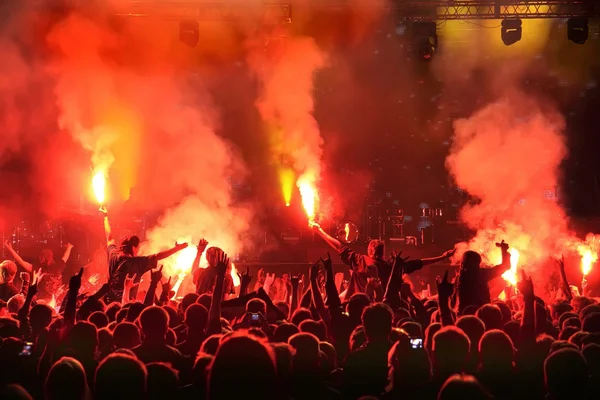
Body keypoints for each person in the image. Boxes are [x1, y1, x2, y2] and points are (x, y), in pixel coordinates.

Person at [310, 222, 455, 300]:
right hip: (382, 306)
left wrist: (319, 231)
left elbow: (339, 246)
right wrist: (441, 257)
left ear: (370, 251)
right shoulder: (392, 267)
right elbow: (419, 263)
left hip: (356, 306)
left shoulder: (359, 260)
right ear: (383, 252)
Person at [99, 206, 188, 303]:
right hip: (126, 305)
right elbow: (158, 256)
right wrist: (176, 248)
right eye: (137, 248)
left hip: (108, 302)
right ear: (133, 247)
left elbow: (109, 238)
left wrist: (105, 217)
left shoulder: (113, 254)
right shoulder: (137, 263)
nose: (137, 251)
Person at [453, 241, 511, 314]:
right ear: (478, 262)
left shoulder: (458, 278)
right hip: (481, 313)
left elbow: (454, 300)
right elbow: (505, 266)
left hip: (462, 313)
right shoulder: (481, 274)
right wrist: (504, 250)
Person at [4, 241, 73, 300]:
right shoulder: (37, 268)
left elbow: (65, 258)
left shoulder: (57, 266)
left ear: (47, 257)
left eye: (41, 257)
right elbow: (21, 262)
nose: (40, 258)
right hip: (42, 299)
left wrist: (69, 248)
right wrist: (10, 249)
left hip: (55, 299)